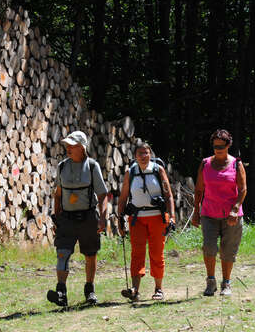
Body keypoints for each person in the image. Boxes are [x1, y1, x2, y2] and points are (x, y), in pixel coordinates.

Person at [47, 131, 109, 307]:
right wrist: (56, 219)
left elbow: (103, 194)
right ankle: (61, 292)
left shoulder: (91, 166)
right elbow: (58, 195)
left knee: (90, 254)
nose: (68, 148)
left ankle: (90, 290)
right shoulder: (62, 167)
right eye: (67, 145)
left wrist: (102, 218)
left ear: (82, 148)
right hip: (66, 218)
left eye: (72, 145)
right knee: (62, 253)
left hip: (88, 217)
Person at [191, 129, 247, 296]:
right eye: (215, 146)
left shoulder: (237, 164)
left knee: (228, 250)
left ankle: (226, 283)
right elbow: (199, 189)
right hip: (209, 213)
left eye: (221, 146)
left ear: (228, 145)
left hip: (232, 215)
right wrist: (196, 211)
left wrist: (235, 208)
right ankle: (210, 282)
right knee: (209, 247)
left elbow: (243, 189)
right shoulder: (205, 164)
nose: (218, 149)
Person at [117, 141, 176, 301]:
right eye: (140, 153)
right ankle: (135, 289)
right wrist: (120, 219)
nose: (143, 156)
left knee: (156, 253)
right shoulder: (131, 172)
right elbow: (123, 198)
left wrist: (172, 217)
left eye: (146, 153)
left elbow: (168, 195)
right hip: (137, 219)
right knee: (137, 253)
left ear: (150, 155)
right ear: (135, 156)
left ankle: (158, 289)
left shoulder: (158, 170)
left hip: (157, 217)